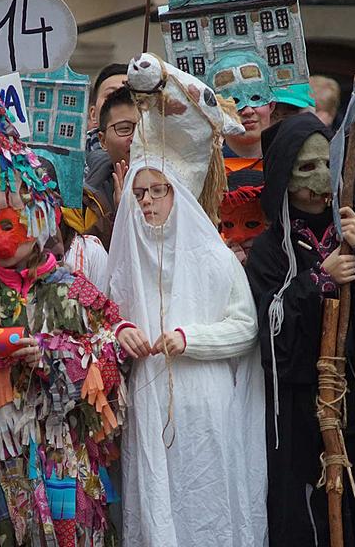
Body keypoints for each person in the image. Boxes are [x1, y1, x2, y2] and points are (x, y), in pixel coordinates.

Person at [0, 63, 126, 546]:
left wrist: (50, 356)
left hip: (61, 458)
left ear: (41, 219)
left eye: (8, 224)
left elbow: (111, 360)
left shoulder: (75, 291)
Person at [247, 113, 355, 546]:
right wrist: (318, 280)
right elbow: (270, 334)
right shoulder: (269, 250)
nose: (319, 180)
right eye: (305, 168)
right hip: (300, 415)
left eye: (325, 165)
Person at [108, 161, 267, 546]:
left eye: (157, 190)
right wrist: (120, 331)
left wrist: (189, 339)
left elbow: (245, 328)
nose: (147, 201)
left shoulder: (216, 257)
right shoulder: (126, 264)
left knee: (208, 506)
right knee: (156, 505)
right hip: (149, 407)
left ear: (177, 193)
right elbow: (104, 318)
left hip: (206, 407)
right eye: (139, 193)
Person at [80, 87, 140, 249]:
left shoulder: (176, 185)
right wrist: (119, 217)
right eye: (125, 129)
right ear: (103, 140)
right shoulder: (84, 199)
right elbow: (86, 257)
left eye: (143, 128)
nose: (135, 138)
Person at [211, 51, 276, 167]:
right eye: (235, 101)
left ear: (271, 105)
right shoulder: (208, 169)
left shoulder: (293, 159)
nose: (248, 111)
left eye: (256, 98)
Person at [85, 63, 128, 152]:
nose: (120, 103)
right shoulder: (72, 156)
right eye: (110, 95)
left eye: (128, 95)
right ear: (93, 114)